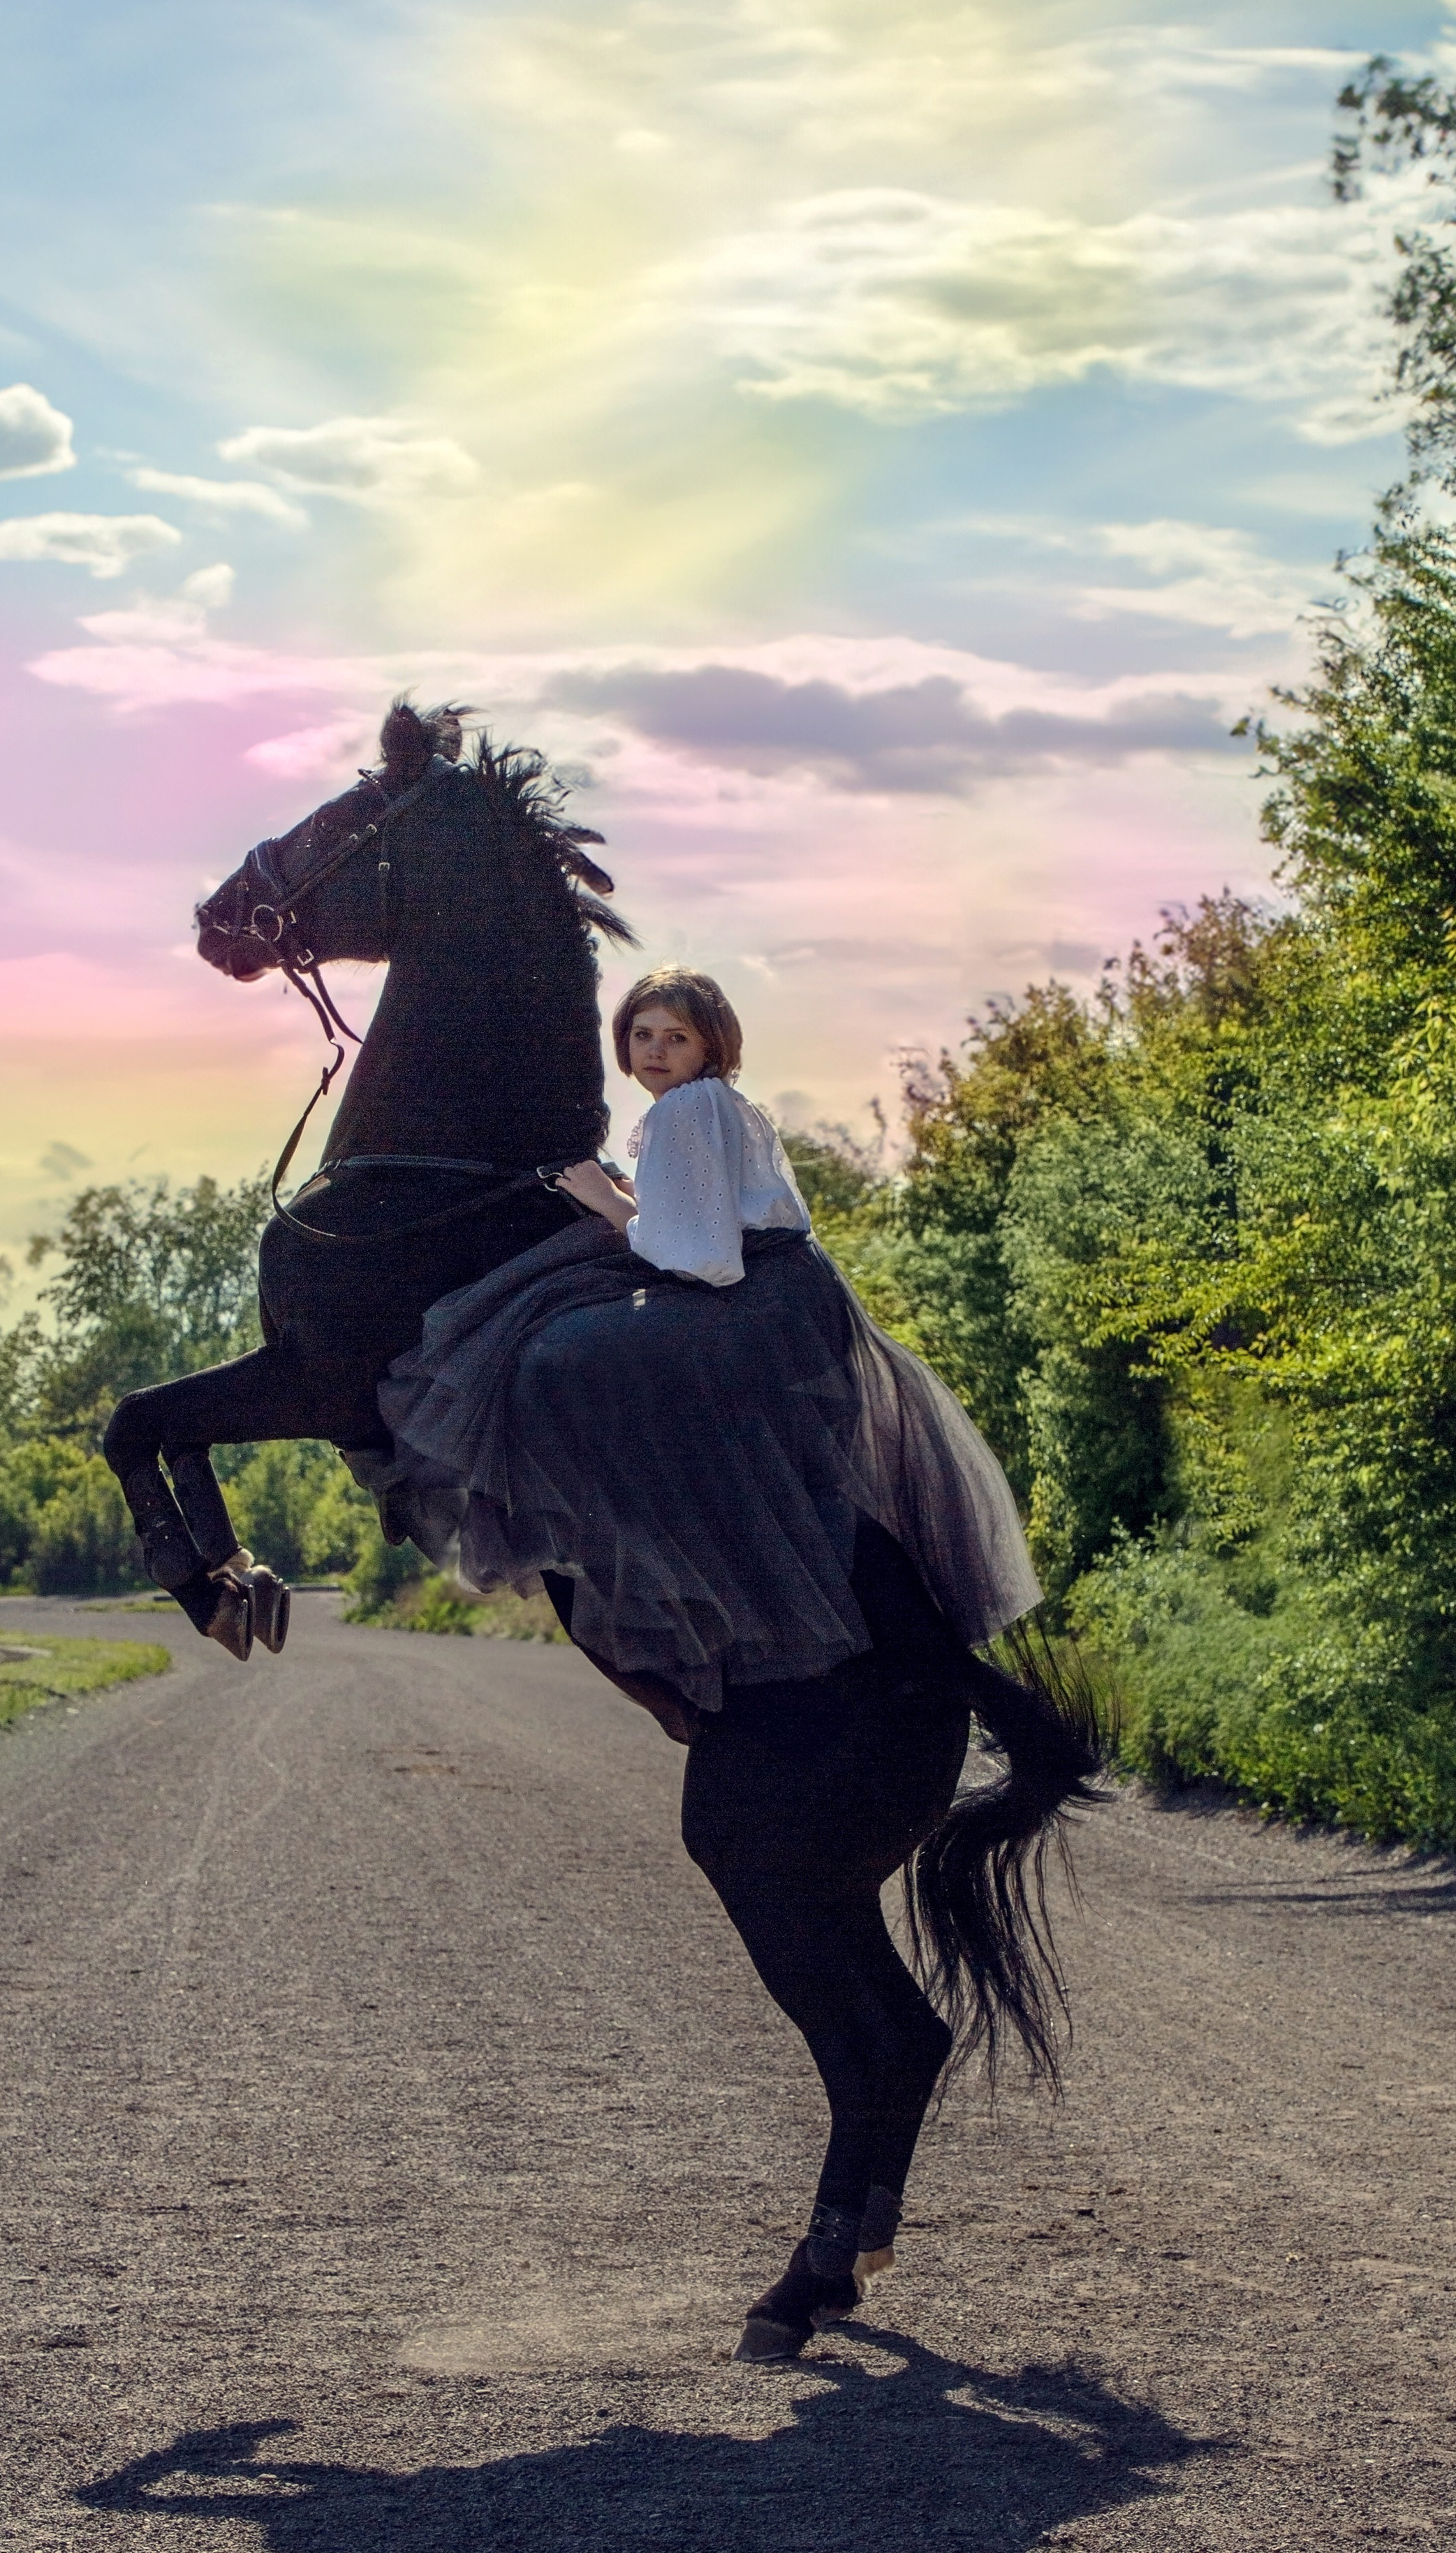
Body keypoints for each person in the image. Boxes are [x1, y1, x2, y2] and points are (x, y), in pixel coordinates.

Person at [365, 968, 1068, 2362]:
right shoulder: (702, 1119)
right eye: (636, 1034)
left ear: (707, 1047)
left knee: (545, 1378)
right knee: (580, 1377)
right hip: (771, 1308)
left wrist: (597, 1208)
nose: (648, 1050)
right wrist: (605, 1206)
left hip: (742, 1310)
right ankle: (685, 1618)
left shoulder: (688, 1122)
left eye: (668, 1033)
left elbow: (686, 1260)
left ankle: (673, 1621)